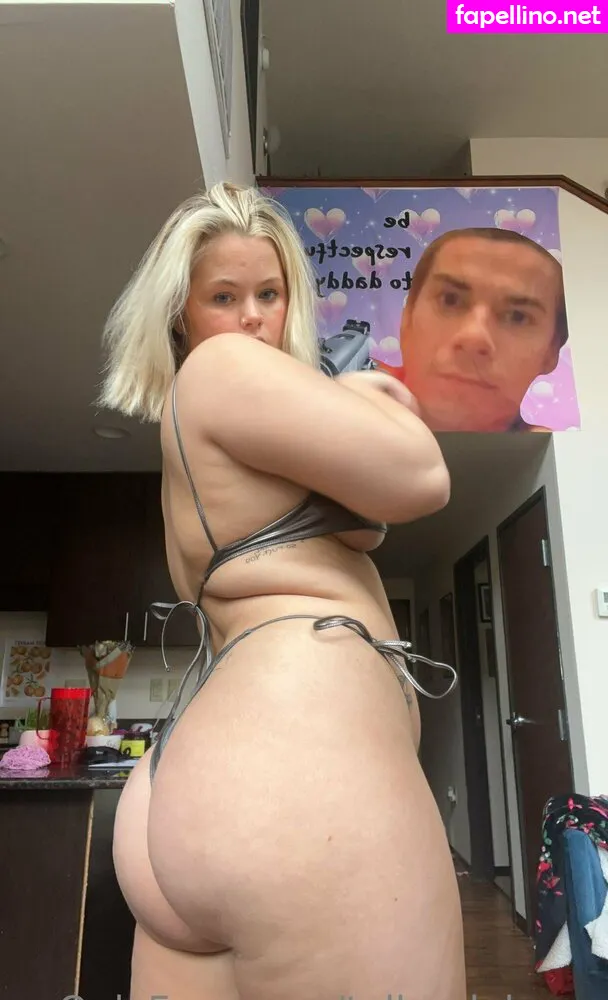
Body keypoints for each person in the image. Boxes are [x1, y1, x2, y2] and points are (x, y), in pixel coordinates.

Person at [99, 182, 465, 1000]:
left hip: (205, 779)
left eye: (270, 294)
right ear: (180, 316)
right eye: (223, 297)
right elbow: (420, 474)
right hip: (298, 777)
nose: (252, 318)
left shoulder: (208, 424)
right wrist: (363, 393)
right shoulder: (222, 369)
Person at [380, 228, 568, 432]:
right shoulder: (354, 386)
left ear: (552, 351)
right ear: (407, 316)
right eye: (450, 300)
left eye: (518, 316)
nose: (474, 336)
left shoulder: (563, 450)